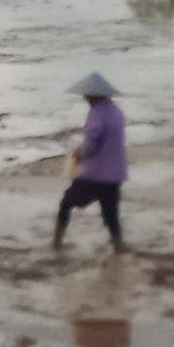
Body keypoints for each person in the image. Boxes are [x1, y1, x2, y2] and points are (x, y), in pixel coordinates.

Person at [54, 71, 127, 252]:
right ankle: (118, 247)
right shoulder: (116, 112)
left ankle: (56, 244)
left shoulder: (96, 114)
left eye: (86, 95)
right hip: (115, 173)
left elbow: (91, 146)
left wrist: (79, 154)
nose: (85, 98)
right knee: (111, 214)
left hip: (95, 174)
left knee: (66, 204)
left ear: (92, 95)